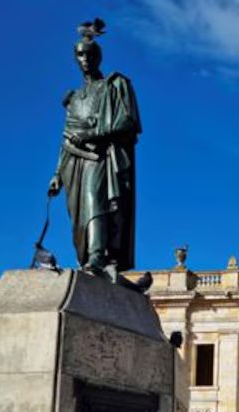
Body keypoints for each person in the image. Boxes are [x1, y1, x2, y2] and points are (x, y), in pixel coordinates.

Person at [47, 18, 142, 277]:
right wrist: (57, 173)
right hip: (73, 161)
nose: (85, 59)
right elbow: (66, 137)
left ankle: (98, 256)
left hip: (100, 157)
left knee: (94, 203)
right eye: (80, 55)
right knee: (78, 220)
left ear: (98, 56)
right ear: (75, 59)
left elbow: (127, 122)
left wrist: (92, 134)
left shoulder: (115, 85)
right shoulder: (74, 98)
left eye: (89, 54)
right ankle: (89, 256)